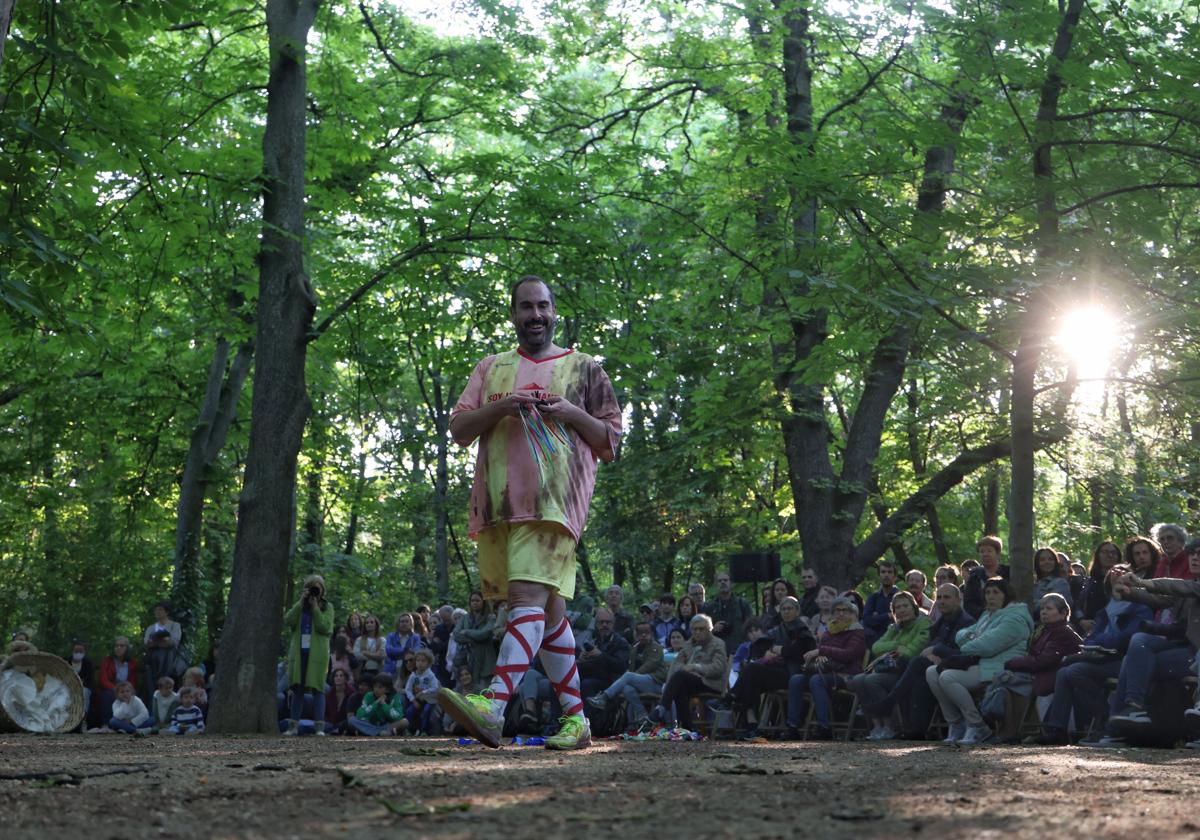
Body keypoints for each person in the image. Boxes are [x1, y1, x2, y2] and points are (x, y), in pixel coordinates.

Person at [436, 275, 622, 751]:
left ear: (554, 311)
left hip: (555, 505)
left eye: (543, 306)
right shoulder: (491, 368)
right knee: (550, 612)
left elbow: (610, 440)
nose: (535, 315)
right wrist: (503, 409)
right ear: (514, 314)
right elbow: (458, 429)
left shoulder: (584, 369)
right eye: (526, 307)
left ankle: (493, 706)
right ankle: (577, 720)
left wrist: (569, 412)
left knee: (524, 599)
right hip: (499, 506)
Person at [1090, 547, 1200, 745]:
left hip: (1194, 655)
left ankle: (1117, 728)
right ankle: (1128, 714)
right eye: (1192, 553)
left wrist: (1141, 582)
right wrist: (1128, 592)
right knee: (1138, 645)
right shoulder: (1190, 586)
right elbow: (1159, 599)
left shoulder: (1190, 587)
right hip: (1183, 653)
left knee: (1135, 657)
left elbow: (1177, 587)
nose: (1195, 558)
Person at [1032, 565, 1151, 745]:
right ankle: (1056, 729)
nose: (1119, 583)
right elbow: (1088, 640)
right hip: (1104, 659)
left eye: (1123, 579)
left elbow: (1127, 638)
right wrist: (1103, 640)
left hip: (1126, 661)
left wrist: (1102, 640)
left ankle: (1106, 717)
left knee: (1073, 672)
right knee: (1064, 672)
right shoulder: (1105, 611)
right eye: (1115, 580)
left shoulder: (1139, 608)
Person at [925, 576, 1032, 745]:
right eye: (988, 592)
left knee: (947, 677)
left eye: (996, 592)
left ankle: (977, 725)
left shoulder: (1015, 618)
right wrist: (975, 638)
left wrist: (973, 640)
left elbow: (987, 646)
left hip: (997, 668)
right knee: (931, 672)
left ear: (1006, 595)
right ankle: (956, 723)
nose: (990, 596)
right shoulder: (987, 615)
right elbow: (960, 636)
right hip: (981, 664)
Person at [863, 582, 975, 739]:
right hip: (931, 667)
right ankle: (916, 730)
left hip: (957, 667)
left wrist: (936, 651)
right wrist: (927, 650)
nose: (942, 601)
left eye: (947, 597)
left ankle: (891, 702)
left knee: (915, 663)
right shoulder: (941, 621)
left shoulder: (965, 621)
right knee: (918, 679)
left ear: (958, 599)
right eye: (939, 597)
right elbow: (877, 647)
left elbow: (962, 652)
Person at [989, 593, 1081, 743]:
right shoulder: (1044, 630)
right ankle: (1007, 731)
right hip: (1040, 674)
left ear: (1063, 613)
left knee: (1007, 680)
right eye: (1042, 608)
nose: (1043, 611)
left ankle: (1009, 731)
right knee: (1004, 679)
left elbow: (1043, 661)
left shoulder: (1062, 632)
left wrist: (1012, 663)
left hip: (1050, 677)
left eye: (1049, 608)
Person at [852, 591, 930, 740]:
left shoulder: (923, 623)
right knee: (858, 679)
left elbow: (913, 651)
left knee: (871, 680)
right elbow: (876, 647)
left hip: (908, 673)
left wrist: (899, 649)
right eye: (898, 607)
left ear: (914, 607)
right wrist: (896, 644)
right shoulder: (894, 628)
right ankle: (877, 726)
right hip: (891, 669)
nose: (902, 610)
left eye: (905, 605)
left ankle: (890, 726)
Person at [733, 596, 816, 739]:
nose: (786, 612)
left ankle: (731, 697)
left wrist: (780, 650)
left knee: (751, 671)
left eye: (790, 609)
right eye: (783, 609)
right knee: (751, 677)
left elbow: (800, 652)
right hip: (777, 669)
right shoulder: (776, 630)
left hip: (794, 673)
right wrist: (773, 651)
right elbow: (762, 648)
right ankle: (752, 725)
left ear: (797, 611)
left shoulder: (802, 629)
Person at [784, 597, 866, 740]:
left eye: (845, 610)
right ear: (832, 613)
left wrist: (822, 651)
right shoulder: (829, 632)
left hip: (846, 674)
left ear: (850, 613)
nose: (841, 614)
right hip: (826, 671)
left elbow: (848, 655)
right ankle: (793, 727)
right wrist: (819, 656)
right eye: (837, 611)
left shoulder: (857, 632)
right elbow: (823, 653)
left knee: (816, 680)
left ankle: (824, 727)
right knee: (796, 680)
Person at [585, 620, 669, 729]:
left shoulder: (656, 648)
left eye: (646, 632)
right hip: (641, 683)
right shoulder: (634, 649)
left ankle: (604, 697)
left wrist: (630, 677)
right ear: (636, 634)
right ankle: (642, 715)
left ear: (652, 634)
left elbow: (648, 667)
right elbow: (631, 668)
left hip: (656, 684)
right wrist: (628, 679)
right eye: (640, 632)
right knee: (626, 688)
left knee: (628, 677)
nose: (643, 635)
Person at [648, 614, 728, 728]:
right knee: (680, 686)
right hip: (690, 681)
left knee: (681, 677)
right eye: (695, 629)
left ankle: (662, 707)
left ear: (709, 629)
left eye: (701, 629)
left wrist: (696, 667)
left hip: (710, 682)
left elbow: (718, 668)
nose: (698, 632)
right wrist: (682, 669)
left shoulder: (718, 644)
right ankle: (686, 727)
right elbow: (677, 663)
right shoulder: (689, 644)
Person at [282, 573, 334, 736]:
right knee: (297, 689)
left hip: (317, 655)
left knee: (318, 689)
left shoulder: (327, 607)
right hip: (299, 653)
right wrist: (300, 602)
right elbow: (288, 620)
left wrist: (316, 608)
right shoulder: (300, 607)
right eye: (311, 587)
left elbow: (324, 627)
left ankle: (320, 728)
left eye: (317, 588)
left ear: (322, 590)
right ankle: (293, 727)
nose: (314, 591)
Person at [576, 607, 631, 699]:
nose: (604, 625)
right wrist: (581, 658)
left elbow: (621, 666)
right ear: (596, 624)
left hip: (611, 681)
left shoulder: (620, 642)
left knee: (587, 684)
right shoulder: (592, 639)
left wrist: (601, 655)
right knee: (562, 682)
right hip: (590, 675)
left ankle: (589, 713)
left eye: (607, 622)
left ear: (613, 624)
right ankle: (562, 713)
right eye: (601, 622)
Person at [453, 591, 498, 689]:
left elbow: (484, 634)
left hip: (485, 660)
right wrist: (472, 639)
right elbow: (456, 635)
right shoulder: (465, 618)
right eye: (472, 600)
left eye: (477, 600)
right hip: (468, 660)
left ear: (483, 602)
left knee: (484, 692)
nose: (474, 603)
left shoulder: (491, 617)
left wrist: (466, 632)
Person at [1079, 541, 1124, 632]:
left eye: (1113, 553)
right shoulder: (1089, 582)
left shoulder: (1123, 581)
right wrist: (1081, 621)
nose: (1110, 555)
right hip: (1089, 627)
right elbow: (1078, 605)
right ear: (1098, 556)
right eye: (1106, 552)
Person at [705, 570, 753, 654]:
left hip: (739, 651)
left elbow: (751, 628)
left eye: (725, 580)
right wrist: (712, 630)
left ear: (731, 583)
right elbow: (703, 633)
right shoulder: (710, 608)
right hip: (717, 652)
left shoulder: (742, 604)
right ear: (716, 584)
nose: (723, 583)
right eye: (720, 581)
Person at [962, 536, 1009, 619]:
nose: (985, 554)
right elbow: (969, 603)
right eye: (982, 551)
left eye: (989, 551)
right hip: (981, 620)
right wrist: (984, 613)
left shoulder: (1008, 573)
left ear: (997, 553)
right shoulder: (974, 576)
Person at [96, 637, 138, 727]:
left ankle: (128, 724)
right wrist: (116, 689)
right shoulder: (107, 661)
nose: (118, 648)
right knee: (107, 695)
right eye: (116, 646)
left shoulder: (132, 663)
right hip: (111, 688)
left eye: (121, 646)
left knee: (132, 696)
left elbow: (132, 681)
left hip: (126, 689)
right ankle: (106, 724)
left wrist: (126, 691)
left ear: (127, 648)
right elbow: (103, 680)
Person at [862, 562, 900, 646]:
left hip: (895, 640)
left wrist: (877, 617)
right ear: (879, 576)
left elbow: (900, 620)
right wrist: (887, 615)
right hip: (874, 640)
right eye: (883, 572)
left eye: (889, 572)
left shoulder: (901, 597)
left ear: (895, 577)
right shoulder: (873, 598)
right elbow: (867, 620)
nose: (886, 575)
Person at [404, 649, 441, 735]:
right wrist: (413, 700)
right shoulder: (413, 676)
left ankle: (423, 731)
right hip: (417, 699)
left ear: (428, 663)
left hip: (429, 699)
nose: (420, 663)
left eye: (423, 661)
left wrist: (424, 692)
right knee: (409, 711)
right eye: (418, 660)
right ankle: (410, 730)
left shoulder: (431, 675)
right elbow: (408, 689)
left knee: (425, 711)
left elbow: (435, 687)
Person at [1031, 547, 1072, 616]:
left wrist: (1032, 604)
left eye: (1050, 559)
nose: (1047, 562)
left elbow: (1054, 605)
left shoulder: (1060, 583)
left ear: (1055, 562)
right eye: (1042, 560)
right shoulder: (1034, 584)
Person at [66, 639, 96, 728]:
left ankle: (82, 718)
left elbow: (90, 680)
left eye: (80, 651)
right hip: (68, 686)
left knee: (85, 693)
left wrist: (80, 683)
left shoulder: (88, 663)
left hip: (83, 687)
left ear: (84, 652)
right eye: (76, 651)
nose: (78, 653)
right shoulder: (66, 661)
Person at [324, 667, 360, 734]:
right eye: (336, 676)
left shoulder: (351, 692)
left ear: (345, 679)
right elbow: (326, 711)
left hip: (345, 723)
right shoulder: (330, 693)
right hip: (330, 723)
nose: (338, 678)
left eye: (341, 676)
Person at [353, 615, 386, 685]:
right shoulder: (359, 640)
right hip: (363, 671)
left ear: (376, 624)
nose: (369, 624)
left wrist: (365, 653)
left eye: (371, 622)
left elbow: (382, 656)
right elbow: (356, 655)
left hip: (377, 671)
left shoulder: (382, 640)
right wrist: (375, 655)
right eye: (367, 623)